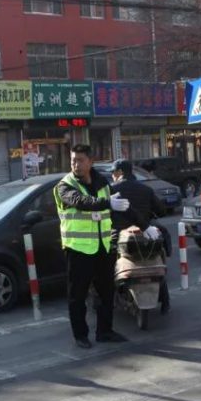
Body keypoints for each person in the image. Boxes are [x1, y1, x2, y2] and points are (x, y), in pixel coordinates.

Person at [54, 144, 130, 349]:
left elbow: (119, 205)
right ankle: (80, 335)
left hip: (102, 246)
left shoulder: (102, 182)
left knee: (106, 292)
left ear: (90, 161)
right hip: (78, 249)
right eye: (73, 160)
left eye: (80, 160)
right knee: (77, 295)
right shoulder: (65, 185)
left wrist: (145, 226)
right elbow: (80, 201)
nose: (75, 164)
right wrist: (107, 203)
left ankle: (105, 331)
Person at [110, 160, 171, 314]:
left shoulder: (112, 190)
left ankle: (107, 299)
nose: (112, 175)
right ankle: (165, 301)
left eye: (113, 172)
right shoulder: (146, 189)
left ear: (120, 172)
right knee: (158, 262)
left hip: (119, 237)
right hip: (145, 236)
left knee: (107, 264)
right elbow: (161, 211)